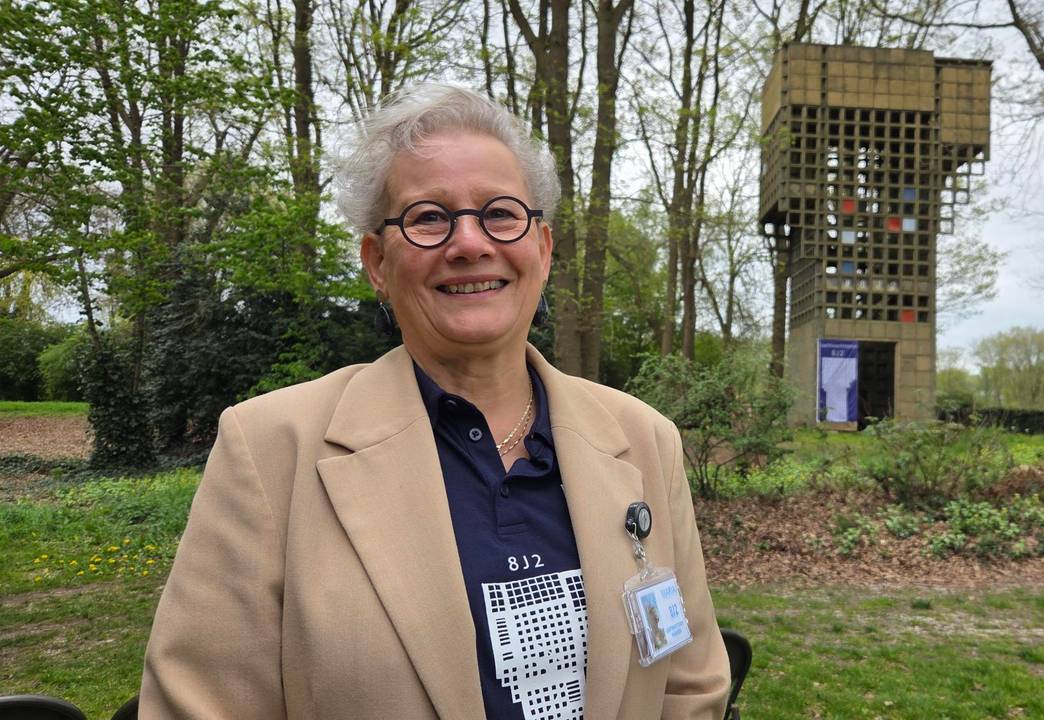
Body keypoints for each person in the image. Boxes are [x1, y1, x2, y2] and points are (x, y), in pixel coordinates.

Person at [139, 84, 730, 719]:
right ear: (377, 263)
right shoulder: (270, 449)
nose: (470, 243)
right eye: (428, 217)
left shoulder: (644, 439)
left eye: (501, 213)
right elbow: (203, 706)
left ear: (544, 248)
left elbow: (689, 685)